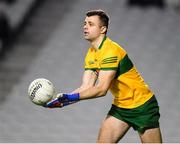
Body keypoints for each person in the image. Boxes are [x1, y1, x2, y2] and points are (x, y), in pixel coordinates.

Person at [45, 9, 162, 143]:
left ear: (103, 29)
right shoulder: (91, 53)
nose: (85, 27)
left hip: (143, 105)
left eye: (90, 24)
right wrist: (63, 101)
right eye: (84, 23)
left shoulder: (110, 51)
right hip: (122, 106)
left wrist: (70, 97)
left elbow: (101, 90)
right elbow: (86, 87)